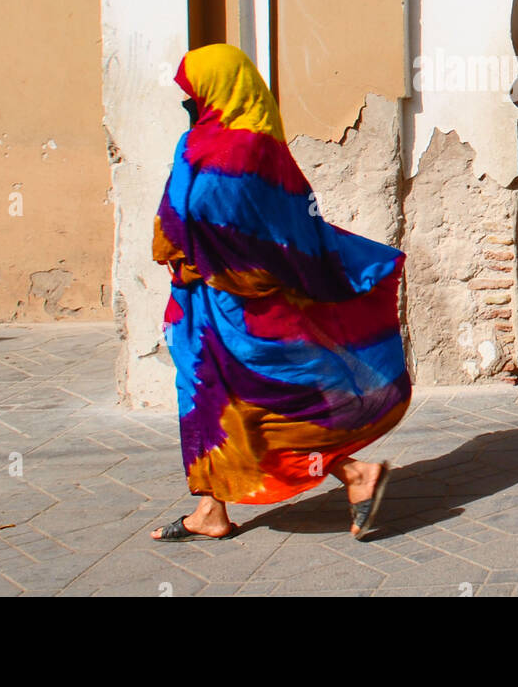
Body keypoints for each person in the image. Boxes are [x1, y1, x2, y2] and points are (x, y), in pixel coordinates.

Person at [148, 43, 409, 542]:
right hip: (207, 305)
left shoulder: (243, 150)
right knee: (216, 401)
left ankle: (355, 473)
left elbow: (243, 224)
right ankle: (212, 509)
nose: (187, 102)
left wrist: (199, 251)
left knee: (259, 400)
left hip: (240, 305)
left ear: (215, 90)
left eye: (192, 92)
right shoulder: (224, 145)